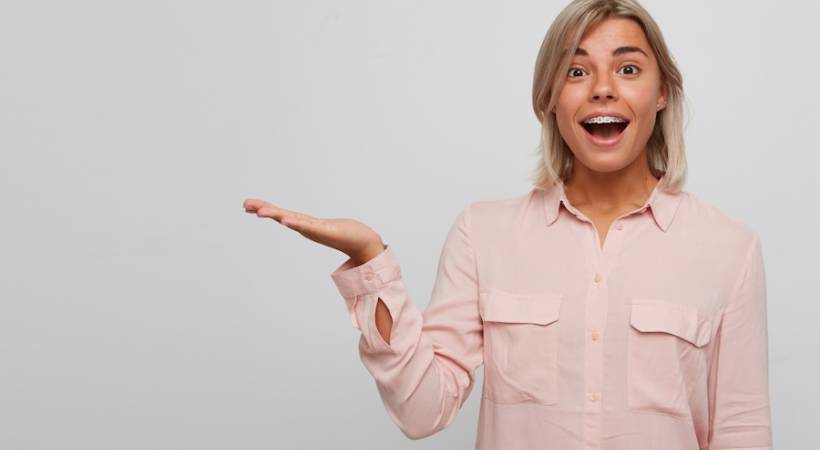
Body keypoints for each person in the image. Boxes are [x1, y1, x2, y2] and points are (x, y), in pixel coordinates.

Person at [243, 0, 773, 449]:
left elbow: (742, 430)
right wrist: (370, 263)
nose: (603, 89)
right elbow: (421, 412)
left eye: (628, 69)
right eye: (576, 70)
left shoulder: (729, 248)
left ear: (662, 94)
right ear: (548, 99)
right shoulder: (483, 233)